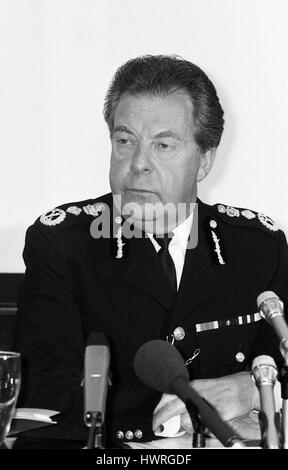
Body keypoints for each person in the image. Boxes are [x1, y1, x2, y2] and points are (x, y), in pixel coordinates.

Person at [13, 55, 288, 447]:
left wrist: (251, 390)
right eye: (125, 141)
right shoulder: (63, 246)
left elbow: (281, 362)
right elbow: (41, 392)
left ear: (205, 159)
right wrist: (185, 417)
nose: (138, 164)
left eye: (163, 145)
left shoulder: (258, 249)